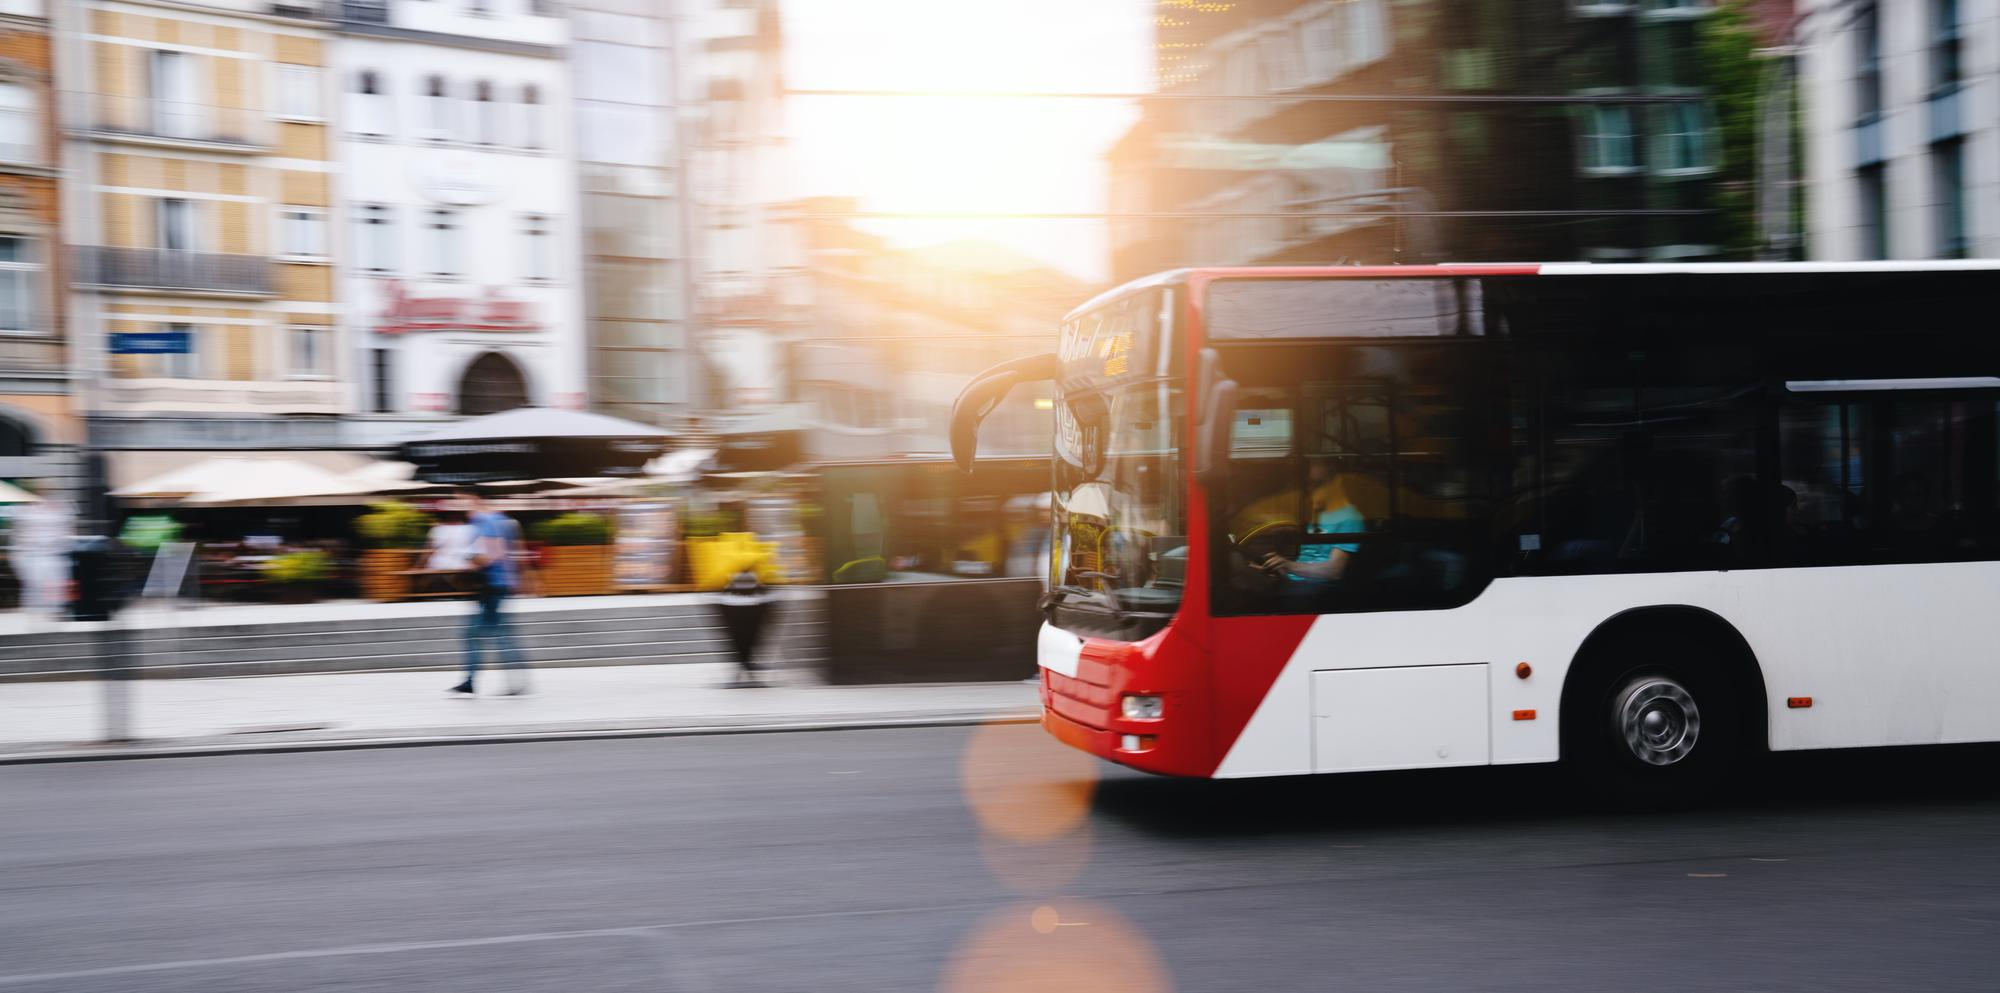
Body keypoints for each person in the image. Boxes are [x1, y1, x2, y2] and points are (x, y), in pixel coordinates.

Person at [448, 491, 531, 698]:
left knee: (484, 634)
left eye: (459, 499)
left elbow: (496, 552)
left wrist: (471, 564)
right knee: (489, 634)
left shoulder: (484, 520)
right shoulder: (498, 519)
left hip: (492, 585)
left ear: (474, 499)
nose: (456, 504)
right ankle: (474, 681)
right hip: (498, 584)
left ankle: (479, 681)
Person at [8, 489, 73, 622]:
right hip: (36, 556)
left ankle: (53, 610)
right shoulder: (29, 512)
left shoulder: (50, 512)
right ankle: (39, 611)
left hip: (47, 556)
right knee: (36, 584)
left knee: (51, 582)